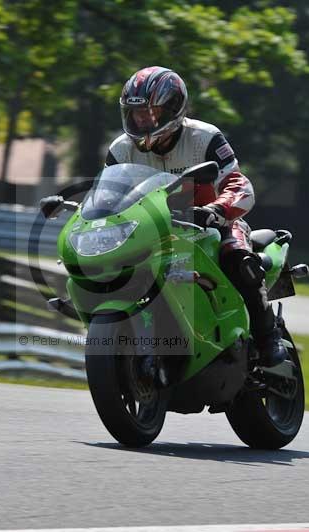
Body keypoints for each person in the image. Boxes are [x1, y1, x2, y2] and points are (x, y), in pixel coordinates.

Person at [104, 65, 287, 367]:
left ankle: (268, 336)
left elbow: (237, 183)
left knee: (238, 259)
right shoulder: (120, 150)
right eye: (135, 114)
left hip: (210, 225)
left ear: (173, 108)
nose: (140, 120)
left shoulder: (204, 137)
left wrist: (217, 210)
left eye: (148, 113)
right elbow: (108, 195)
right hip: (151, 232)